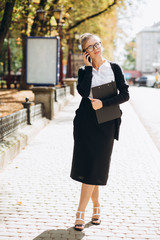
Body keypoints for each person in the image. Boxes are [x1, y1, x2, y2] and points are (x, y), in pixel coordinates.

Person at [70, 33, 130, 231]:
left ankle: (80, 212)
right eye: (90, 46)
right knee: (89, 166)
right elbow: (82, 91)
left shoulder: (114, 68)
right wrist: (88, 68)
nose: (96, 48)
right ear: (85, 52)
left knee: (96, 166)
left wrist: (104, 103)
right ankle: (95, 206)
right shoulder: (83, 70)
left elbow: (125, 95)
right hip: (86, 123)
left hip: (106, 123)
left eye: (97, 44)